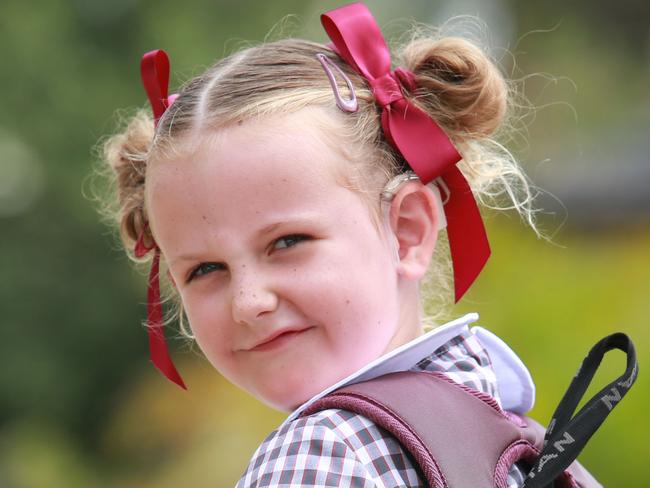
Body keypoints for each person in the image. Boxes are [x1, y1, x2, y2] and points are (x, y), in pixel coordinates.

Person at [97, 2, 600, 486]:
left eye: (287, 241)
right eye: (204, 270)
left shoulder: (320, 458)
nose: (249, 302)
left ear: (408, 229)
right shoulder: (513, 430)